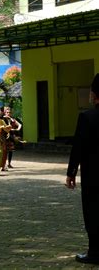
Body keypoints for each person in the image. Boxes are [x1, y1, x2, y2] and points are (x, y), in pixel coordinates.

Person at [66, 73, 99, 265]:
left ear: (95, 94)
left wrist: (71, 173)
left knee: (93, 212)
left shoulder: (87, 117)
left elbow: (78, 147)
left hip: (94, 175)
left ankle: (95, 252)